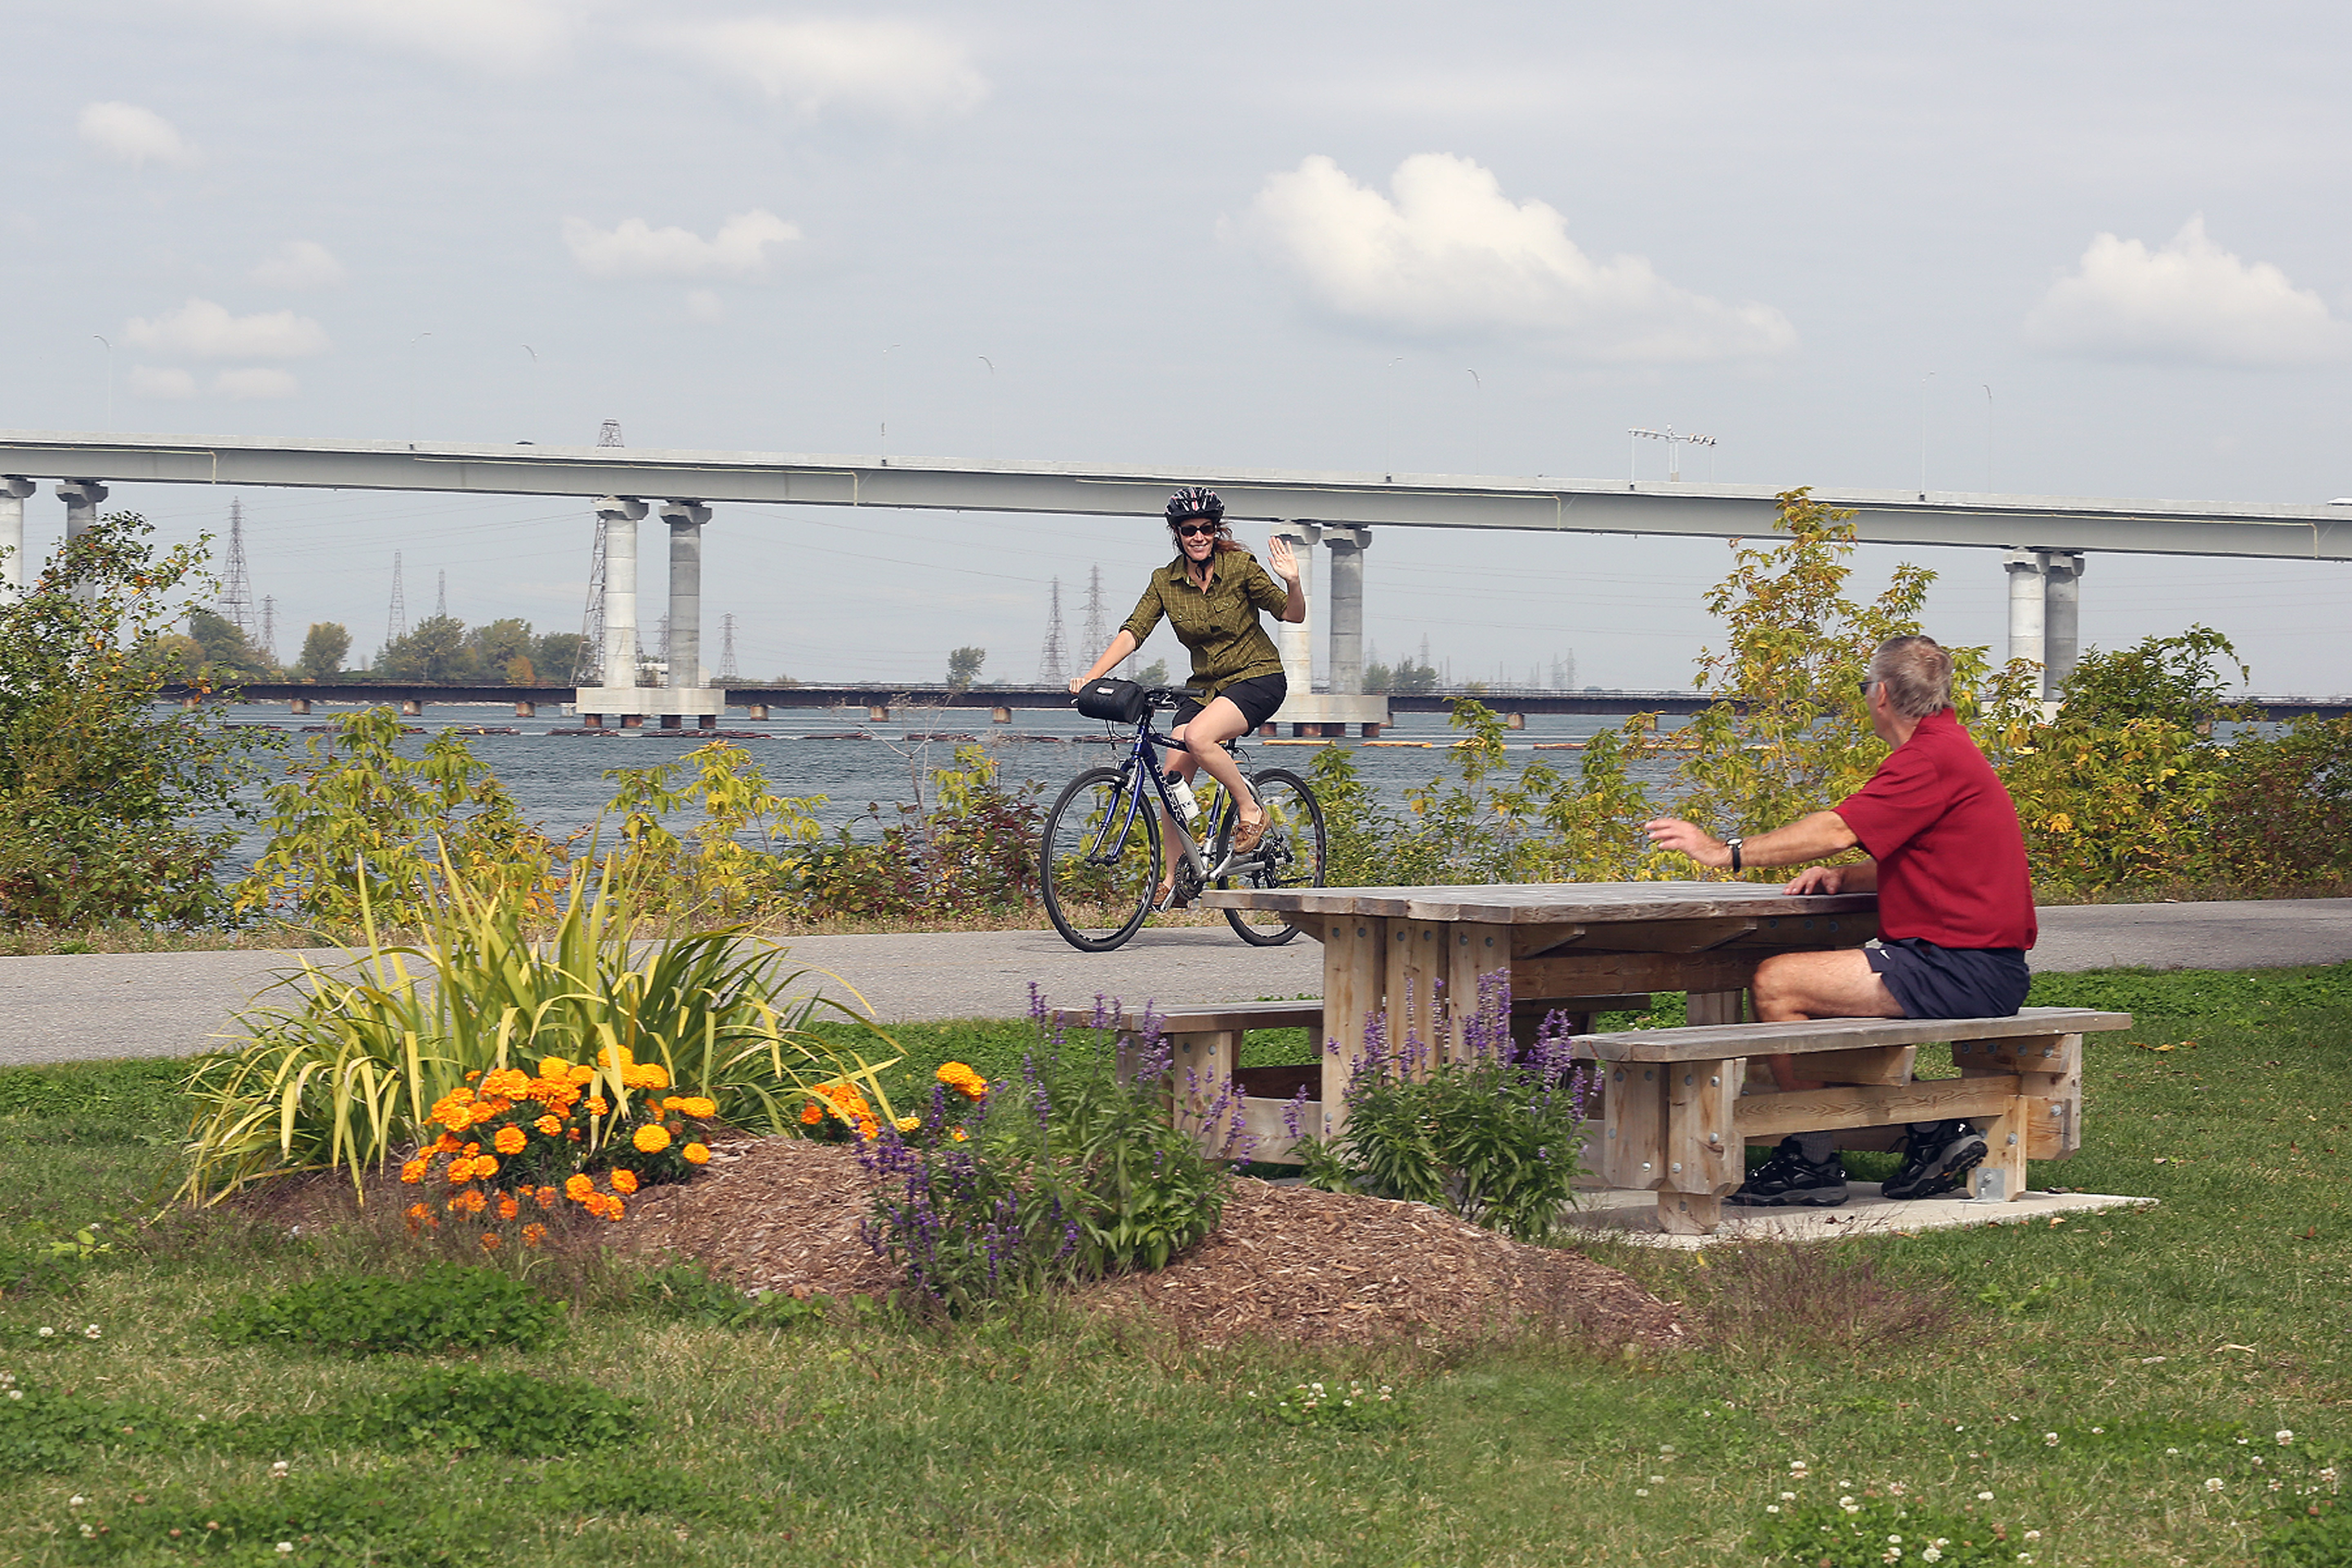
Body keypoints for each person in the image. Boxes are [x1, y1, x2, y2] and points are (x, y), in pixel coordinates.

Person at [1642, 634, 2036, 1207]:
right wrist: (1845, 878)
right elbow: (1928, 858)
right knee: (1803, 991)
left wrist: (1722, 851)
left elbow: (1835, 829)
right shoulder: (1949, 749)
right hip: (1968, 962)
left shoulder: (1928, 759)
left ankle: (1812, 1158)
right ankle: (1929, 1131)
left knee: (1778, 983)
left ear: (1880, 695)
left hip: (1961, 967)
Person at [1068, 487, 1305, 901]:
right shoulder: (1165, 581)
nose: (1198, 536)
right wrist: (1091, 677)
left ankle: (1250, 810)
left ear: (1216, 531)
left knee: (1198, 737)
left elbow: (1292, 613)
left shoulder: (1240, 567)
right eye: (1189, 530)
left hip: (1257, 678)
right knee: (1172, 779)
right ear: (1176, 534)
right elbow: (1133, 632)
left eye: (1206, 529)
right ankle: (1174, 878)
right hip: (1205, 687)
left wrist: (1294, 582)